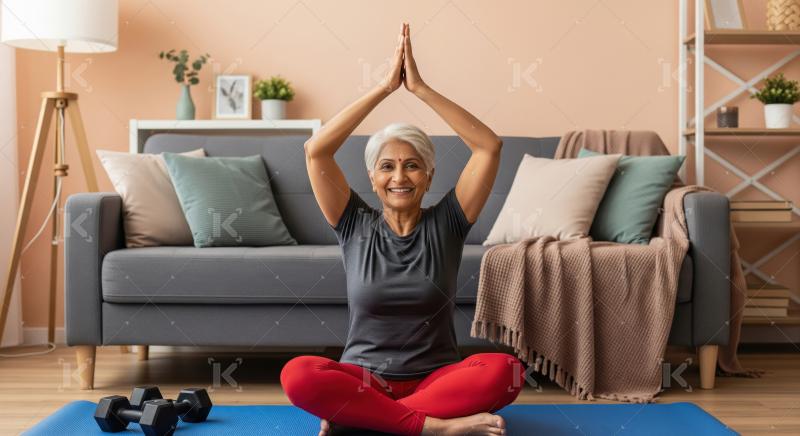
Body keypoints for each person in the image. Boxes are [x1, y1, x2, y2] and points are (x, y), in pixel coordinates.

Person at [280, 22, 525, 436]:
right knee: (298, 374)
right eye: (387, 166)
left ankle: (364, 418)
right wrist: (384, 87)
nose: (399, 177)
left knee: (507, 370)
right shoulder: (352, 221)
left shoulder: (449, 221)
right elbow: (315, 149)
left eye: (412, 166)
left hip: (436, 380)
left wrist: (420, 89)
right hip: (364, 379)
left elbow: (489, 146)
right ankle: (437, 428)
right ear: (372, 178)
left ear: (429, 177)